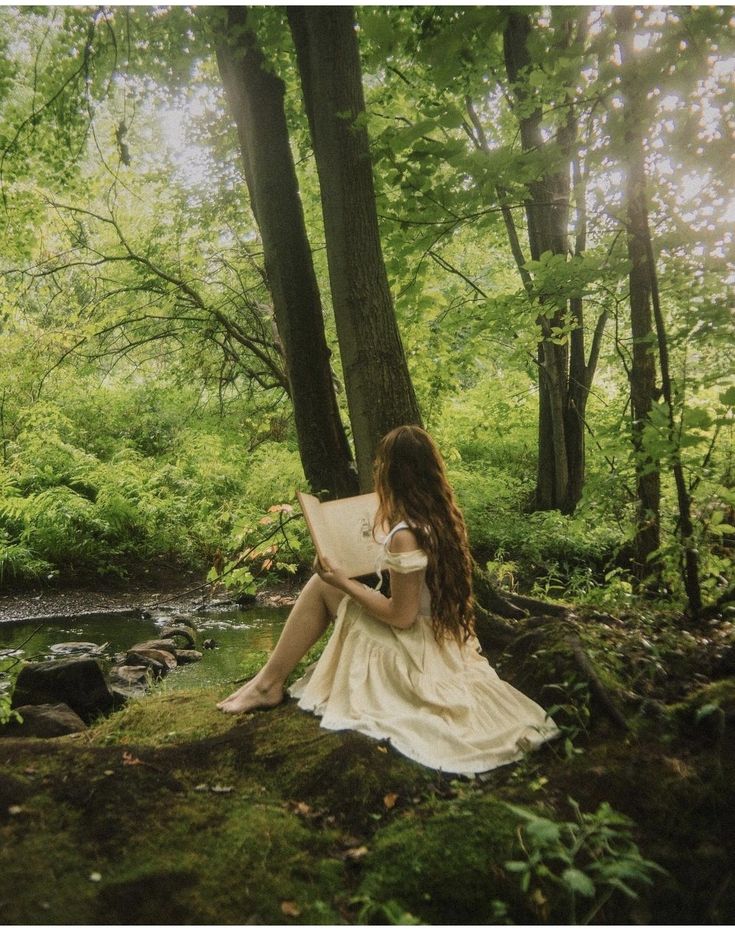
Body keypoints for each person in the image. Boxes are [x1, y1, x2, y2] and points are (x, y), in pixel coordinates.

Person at [217, 425, 558, 774]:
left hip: (415, 653)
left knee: (323, 586)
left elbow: (402, 617)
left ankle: (267, 684)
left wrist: (344, 582)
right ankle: (265, 682)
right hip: (440, 642)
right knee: (327, 586)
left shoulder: (405, 535)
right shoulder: (442, 519)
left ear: (389, 473)